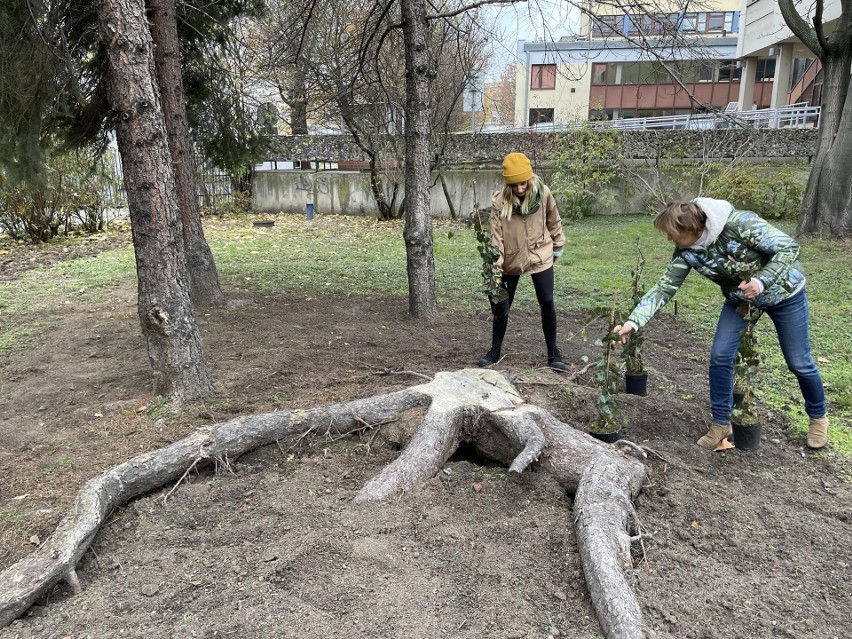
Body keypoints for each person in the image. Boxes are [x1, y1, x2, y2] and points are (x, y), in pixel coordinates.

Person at [614, 198, 829, 450]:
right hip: (742, 301)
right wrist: (633, 322)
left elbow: (789, 247)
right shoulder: (687, 252)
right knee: (720, 355)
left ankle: (818, 417)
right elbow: (664, 288)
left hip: (785, 294)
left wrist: (761, 281)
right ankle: (721, 423)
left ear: (691, 228)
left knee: (798, 361)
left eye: (672, 234)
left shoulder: (740, 224)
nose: (669, 239)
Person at [479, 152, 567, 372]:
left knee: (547, 301)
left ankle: (553, 351)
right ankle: (495, 350)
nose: (519, 189)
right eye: (515, 185)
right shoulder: (500, 202)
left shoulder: (543, 193)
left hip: (540, 255)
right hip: (510, 259)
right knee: (502, 307)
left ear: (529, 179)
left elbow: (553, 219)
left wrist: (558, 245)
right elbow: (496, 236)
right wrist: (496, 264)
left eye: (523, 183)